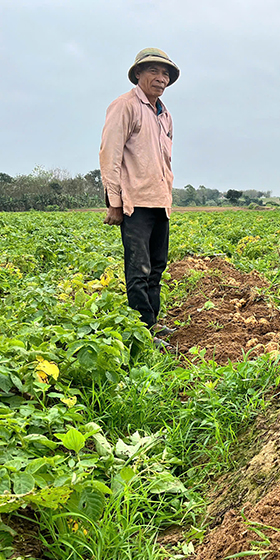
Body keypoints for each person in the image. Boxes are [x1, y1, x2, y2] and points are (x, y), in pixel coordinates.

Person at [99, 48, 180, 349]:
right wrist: (114, 201)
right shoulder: (125, 106)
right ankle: (144, 333)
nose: (161, 79)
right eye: (154, 72)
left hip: (160, 200)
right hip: (135, 202)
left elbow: (165, 162)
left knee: (157, 267)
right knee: (139, 270)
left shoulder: (165, 114)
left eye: (166, 74)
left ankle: (153, 324)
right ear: (138, 74)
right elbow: (110, 154)